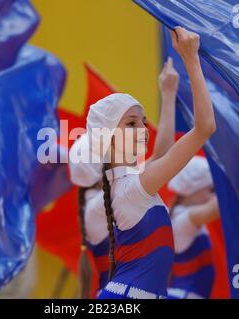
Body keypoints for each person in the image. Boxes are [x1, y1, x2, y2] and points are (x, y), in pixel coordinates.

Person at [87, 26, 216, 299]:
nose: (144, 129)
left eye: (143, 122)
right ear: (108, 137)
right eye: (132, 123)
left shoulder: (128, 185)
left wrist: (168, 94)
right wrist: (191, 59)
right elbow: (204, 127)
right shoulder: (133, 187)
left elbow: (161, 154)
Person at [69, 56, 179, 298]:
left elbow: (160, 156)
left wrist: (169, 95)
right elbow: (162, 155)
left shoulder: (109, 194)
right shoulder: (107, 200)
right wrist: (168, 95)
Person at [167, 156, 220, 299]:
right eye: (212, 190)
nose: (215, 195)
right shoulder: (182, 220)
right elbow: (217, 207)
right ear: (192, 190)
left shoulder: (179, 215)